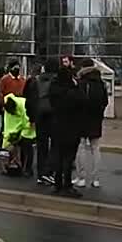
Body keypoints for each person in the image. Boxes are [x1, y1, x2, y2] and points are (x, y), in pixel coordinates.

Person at [47, 56, 85, 197]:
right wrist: (76, 85)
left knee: (58, 155)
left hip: (57, 125)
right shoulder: (73, 91)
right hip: (71, 127)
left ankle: (57, 184)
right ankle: (67, 185)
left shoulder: (54, 87)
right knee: (69, 158)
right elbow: (82, 101)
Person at [74, 58, 109, 188]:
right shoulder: (101, 83)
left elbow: (77, 100)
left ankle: (81, 177)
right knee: (95, 147)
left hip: (82, 118)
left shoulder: (81, 82)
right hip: (96, 118)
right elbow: (105, 101)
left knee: (81, 147)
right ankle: (96, 179)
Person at [24, 62, 56, 186]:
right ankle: (49, 173)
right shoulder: (55, 82)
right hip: (53, 116)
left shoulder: (35, 81)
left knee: (41, 145)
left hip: (39, 116)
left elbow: (29, 100)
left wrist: (31, 117)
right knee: (54, 145)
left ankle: (40, 174)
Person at [1, 94, 36, 177]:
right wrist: (7, 141)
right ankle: (13, 164)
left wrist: (21, 135)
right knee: (11, 147)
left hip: (28, 127)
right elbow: (8, 125)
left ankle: (28, 169)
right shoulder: (8, 108)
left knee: (27, 147)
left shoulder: (24, 105)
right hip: (16, 129)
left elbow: (27, 121)